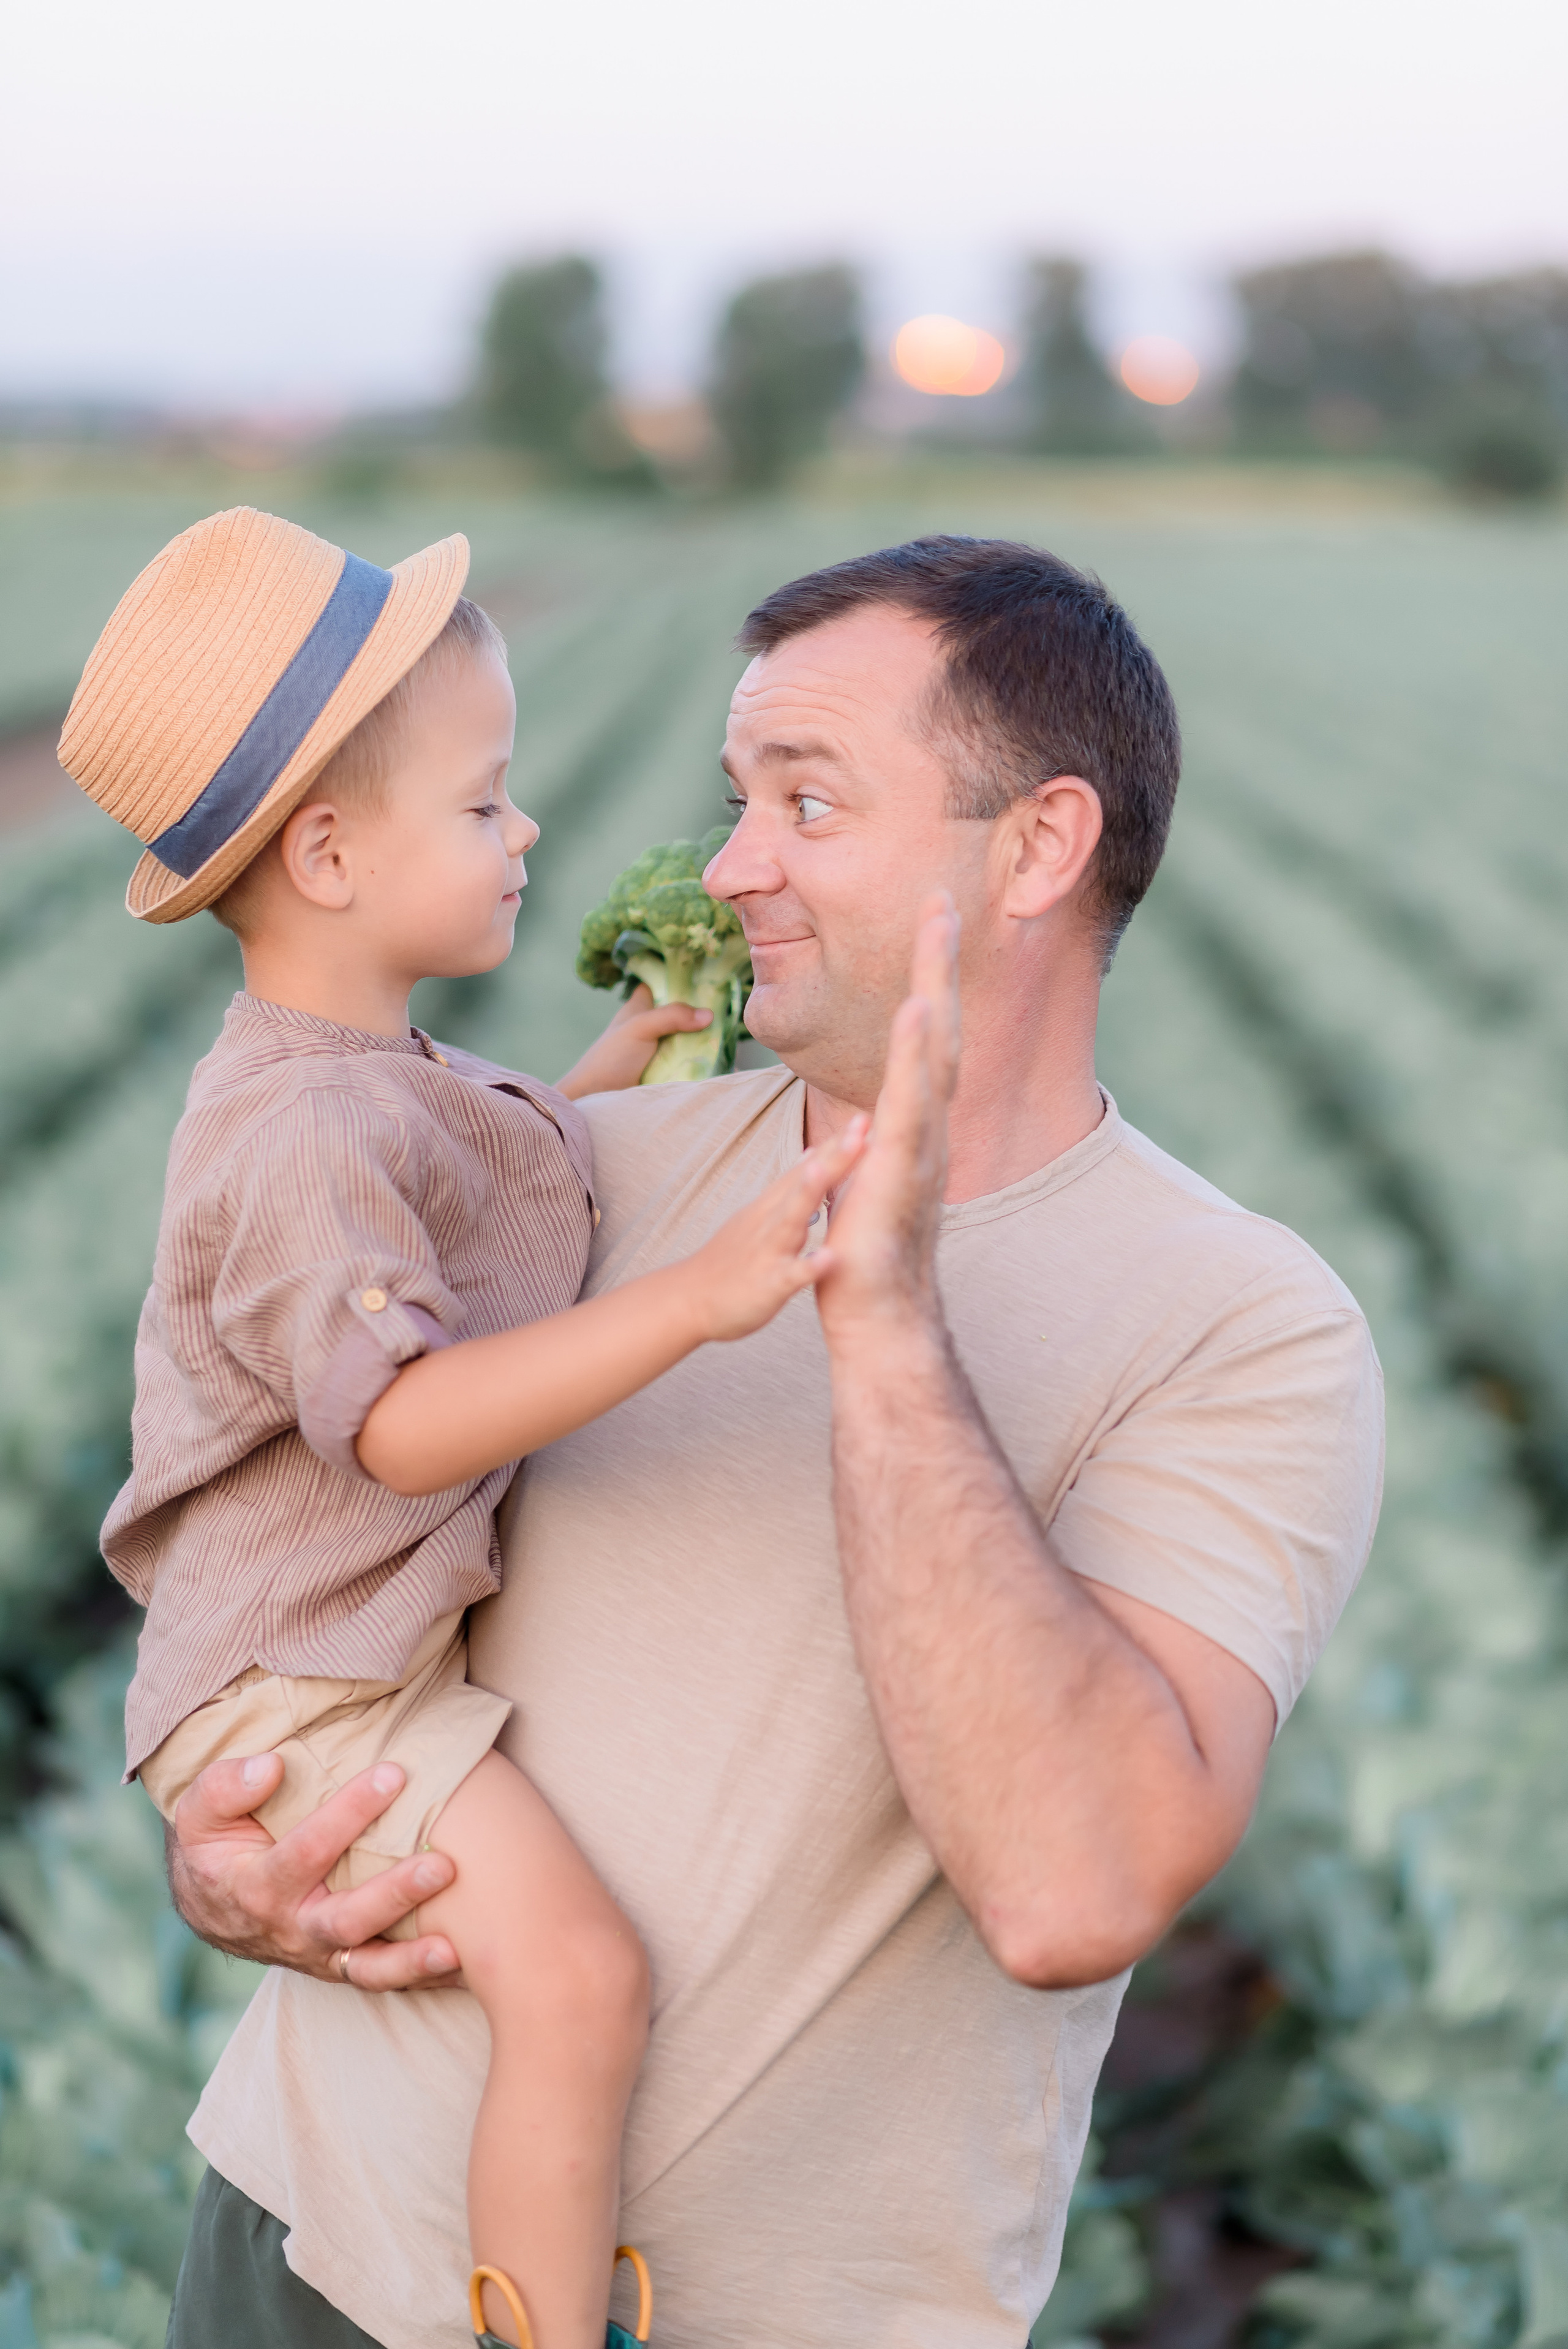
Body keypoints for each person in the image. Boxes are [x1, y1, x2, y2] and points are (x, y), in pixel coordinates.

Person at [161, 536, 1384, 2349]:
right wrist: (229, 1852)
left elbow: (1074, 1889)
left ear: (1041, 845)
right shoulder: (597, 1174)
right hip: (306, 2245)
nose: (732, 868)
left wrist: (885, 1324)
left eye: (806, 802)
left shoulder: (1243, 1326)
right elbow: (291, 1524)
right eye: (736, 800)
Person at [58, 507, 868, 2349]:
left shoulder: (365, 1078)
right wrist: (697, 1296)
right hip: (299, 1692)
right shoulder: (304, 1134)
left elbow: (481, 1189)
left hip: (328, 1657)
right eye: (485, 802)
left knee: (568, 1976)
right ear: (330, 853)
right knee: (578, 1982)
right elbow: (408, 1426)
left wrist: (625, 1063)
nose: (527, 833)